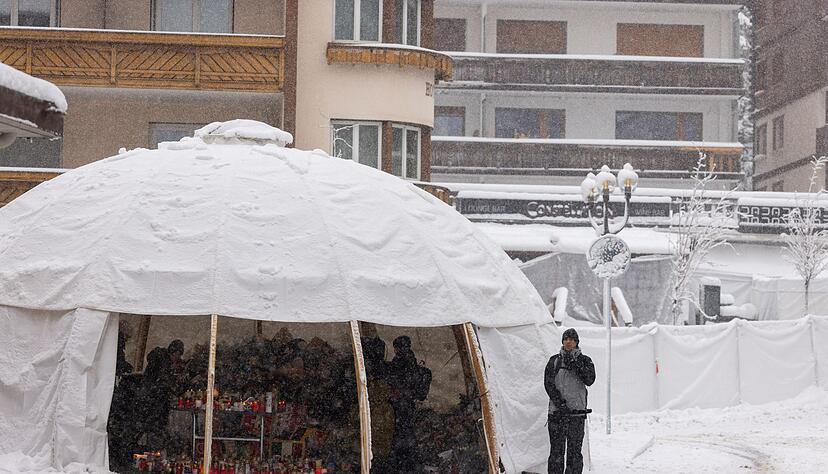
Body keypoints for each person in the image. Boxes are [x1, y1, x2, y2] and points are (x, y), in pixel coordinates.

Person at [544, 328, 595, 474]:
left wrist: (576, 365)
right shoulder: (554, 361)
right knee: (556, 452)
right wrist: (559, 403)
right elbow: (548, 384)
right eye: (566, 339)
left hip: (576, 415)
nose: (568, 342)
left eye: (571, 339)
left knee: (574, 452)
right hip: (557, 414)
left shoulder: (585, 360)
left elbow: (590, 380)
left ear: (577, 342)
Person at [386, 335, 422, 472]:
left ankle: (402, 462)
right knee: (405, 430)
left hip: (402, 402)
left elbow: (399, 380)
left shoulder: (402, 361)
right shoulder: (409, 359)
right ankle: (407, 461)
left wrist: (397, 393)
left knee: (401, 430)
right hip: (406, 401)